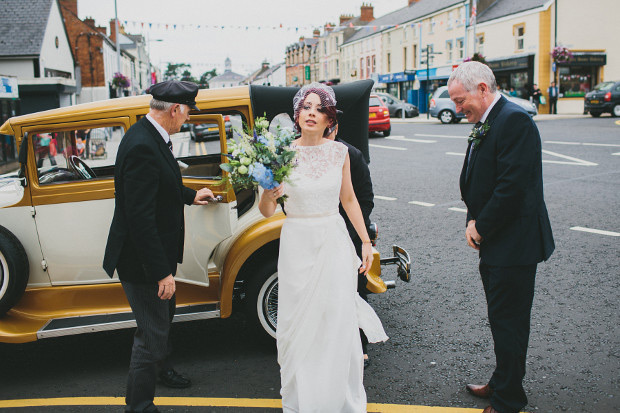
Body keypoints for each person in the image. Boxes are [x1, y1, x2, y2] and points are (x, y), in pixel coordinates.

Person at [259, 83, 388, 412]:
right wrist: (268, 194)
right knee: (298, 321)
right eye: (306, 107)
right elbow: (266, 211)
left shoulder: (340, 153)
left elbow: (349, 199)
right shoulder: (281, 154)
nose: (311, 113)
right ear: (297, 114)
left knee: (334, 317)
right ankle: (305, 396)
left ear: (329, 117)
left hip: (332, 239)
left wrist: (365, 240)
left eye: (319, 108)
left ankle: (335, 394)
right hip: (297, 243)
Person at [448, 62, 555, 413]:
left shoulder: (514, 120)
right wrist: (472, 218)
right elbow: (479, 179)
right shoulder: (490, 120)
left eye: (461, 100)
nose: (457, 108)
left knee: (510, 324)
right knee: (500, 319)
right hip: (497, 240)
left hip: (515, 243)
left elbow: (512, 188)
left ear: (482, 89)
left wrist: (480, 226)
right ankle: (501, 381)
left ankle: (508, 401)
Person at [103, 80, 215, 413]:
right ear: (176, 109)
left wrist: (190, 195)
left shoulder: (149, 136)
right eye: (188, 112)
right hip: (143, 263)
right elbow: (140, 219)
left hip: (153, 258)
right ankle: (139, 407)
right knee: (150, 336)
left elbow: (161, 185)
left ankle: (162, 370)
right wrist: (161, 273)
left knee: (160, 324)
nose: (188, 119)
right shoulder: (142, 144)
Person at [326, 122, 376, 368]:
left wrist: (356, 233)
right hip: (319, 232)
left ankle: (361, 344)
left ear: (335, 128)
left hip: (349, 233)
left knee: (356, 288)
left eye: (331, 127)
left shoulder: (351, 155)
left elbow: (364, 198)